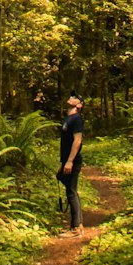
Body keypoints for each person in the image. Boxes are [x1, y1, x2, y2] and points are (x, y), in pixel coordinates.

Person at [58, 93, 84, 236]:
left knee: (71, 192)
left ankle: (76, 228)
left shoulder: (77, 119)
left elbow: (77, 141)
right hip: (66, 161)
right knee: (70, 190)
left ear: (79, 105)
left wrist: (70, 161)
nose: (71, 97)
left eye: (75, 97)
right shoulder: (68, 119)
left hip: (73, 161)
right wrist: (63, 163)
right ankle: (77, 225)